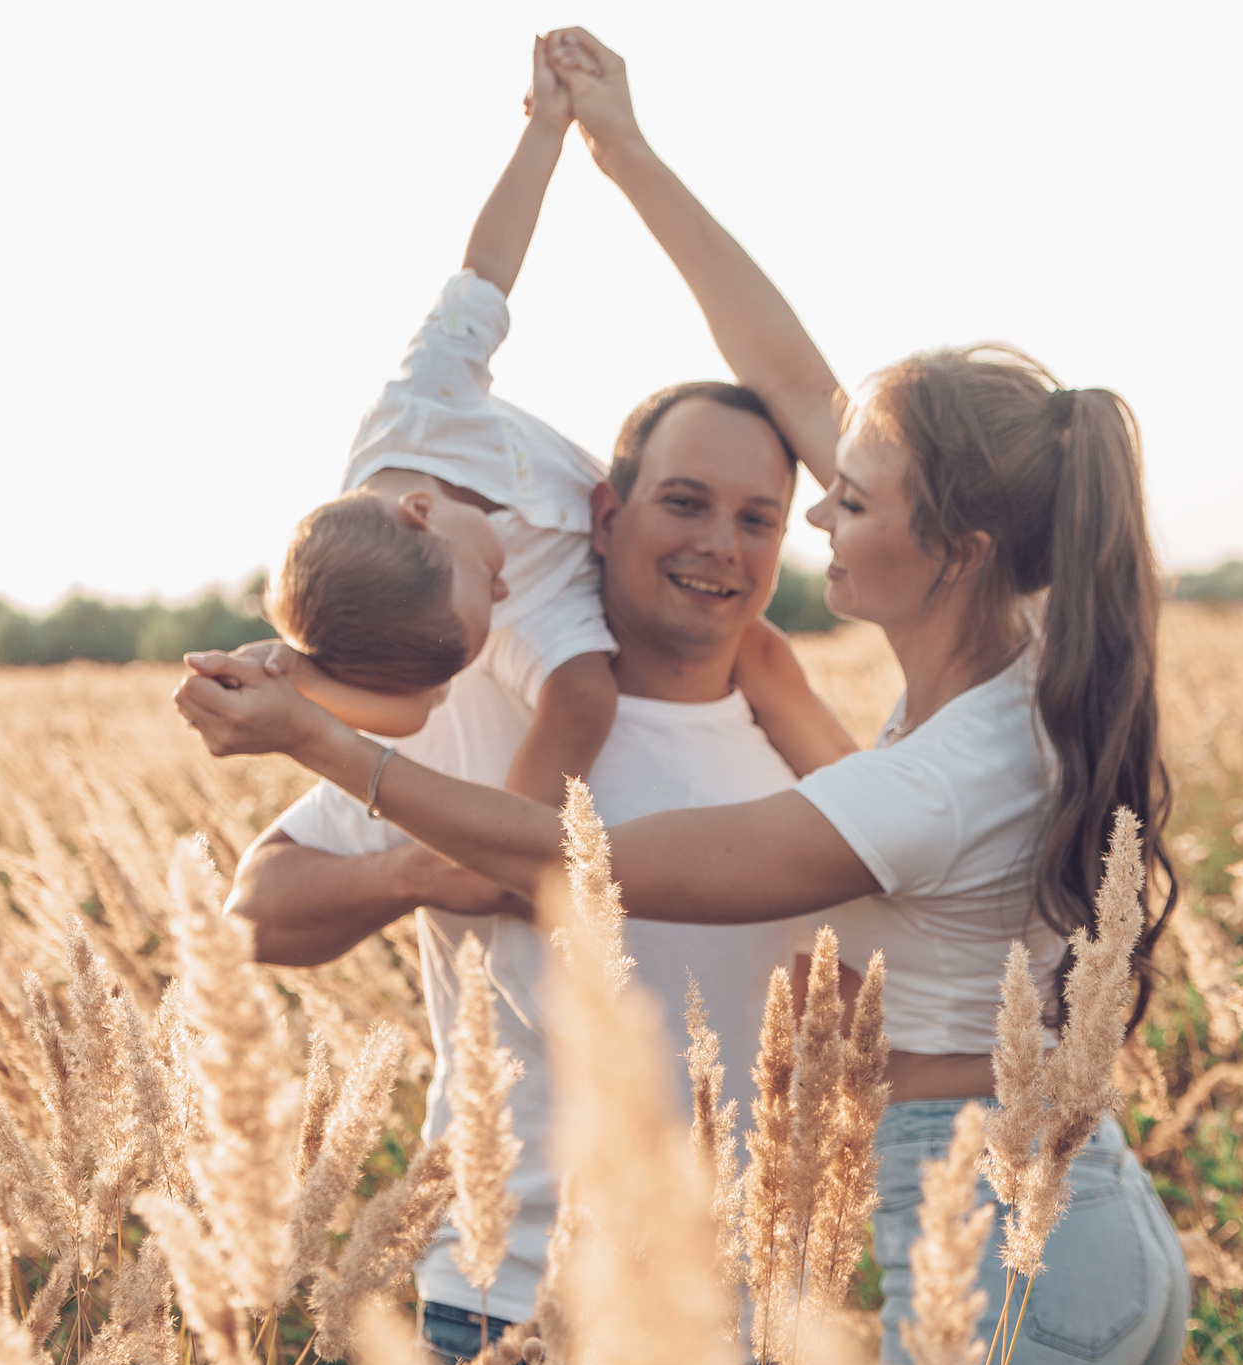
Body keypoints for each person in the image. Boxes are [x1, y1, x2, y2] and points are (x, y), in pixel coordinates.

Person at [176, 29, 1189, 1365]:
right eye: (693, 506)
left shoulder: (927, 770)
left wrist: (323, 741)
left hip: (931, 1257)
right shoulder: (997, 657)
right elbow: (790, 370)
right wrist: (622, 151)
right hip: (967, 1230)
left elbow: (595, 858)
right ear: (606, 514)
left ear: (947, 545)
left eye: (818, 507)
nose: (781, 533)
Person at [203, 37, 855, 1365]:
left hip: (768, 1327)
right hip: (509, 1316)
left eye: (757, 517)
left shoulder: (802, 738)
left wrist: (580, 137)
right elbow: (264, 905)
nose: (718, 542)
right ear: (607, 509)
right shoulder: (497, 689)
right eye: (685, 503)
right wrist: (450, 860)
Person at [246, 34, 843, 805]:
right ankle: (521, 839)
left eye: (483, 586)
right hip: (570, 598)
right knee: (586, 698)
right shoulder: (504, 603)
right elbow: (417, 707)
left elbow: (487, 270)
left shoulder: (424, 404)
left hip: (634, 532)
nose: (498, 600)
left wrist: (544, 132)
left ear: (422, 512)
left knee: (762, 654)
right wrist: (302, 681)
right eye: (482, 622)